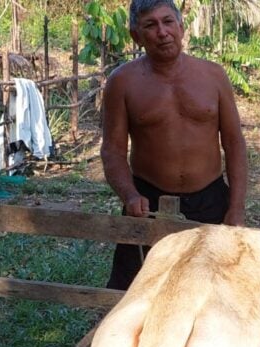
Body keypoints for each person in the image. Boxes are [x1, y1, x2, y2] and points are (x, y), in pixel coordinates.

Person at [101, 0, 247, 290]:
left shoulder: (213, 75)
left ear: (181, 27)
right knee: (131, 291)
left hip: (211, 199)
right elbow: (113, 150)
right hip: (147, 202)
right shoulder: (122, 82)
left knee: (219, 288)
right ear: (135, 35)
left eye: (168, 22)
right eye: (150, 25)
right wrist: (129, 195)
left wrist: (237, 208)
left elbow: (234, 143)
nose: (162, 32)